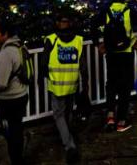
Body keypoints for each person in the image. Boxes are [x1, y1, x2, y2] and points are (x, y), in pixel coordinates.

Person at [96, 0, 137, 132]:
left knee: (111, 85)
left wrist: (98, 44)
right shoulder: (128, 11)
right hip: (126, 53)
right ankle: (121, 121)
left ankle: (110, 116)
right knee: (125, 87)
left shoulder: (106, 11)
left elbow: (92, 25)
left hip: (111, 53)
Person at [39, 15, 89, 163]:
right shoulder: (78, 40)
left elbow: (43, 63)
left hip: (56, 84)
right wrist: (85, 83)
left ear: (57, 24)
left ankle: (69, 145)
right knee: (67, 112)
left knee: (58, 115)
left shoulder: (51, 39)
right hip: (72, 83)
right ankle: (67, 135)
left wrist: (46, 77)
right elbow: (83, 65)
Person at [0, 20, 29, 165]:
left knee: (10, 131)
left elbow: (2, 82)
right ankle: (19, 156)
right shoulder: (20, 47)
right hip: (22, 94)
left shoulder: (6, 53)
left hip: (9, 99)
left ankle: (16, 159)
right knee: (17, 127)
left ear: (5, 34)